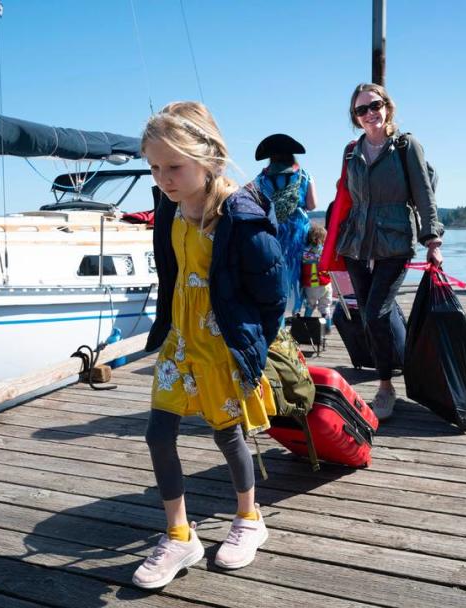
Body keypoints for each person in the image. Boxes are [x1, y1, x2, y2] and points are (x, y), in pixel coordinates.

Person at [133, 101, 287, 589]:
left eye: (174, 166)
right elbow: (173, 272)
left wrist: (251, 350)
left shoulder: (241, 218)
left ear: (210, 160)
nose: (164, 178)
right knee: (158, 434)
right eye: (155, 168)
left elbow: (273, 294)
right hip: (181, 341)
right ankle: (180, 536)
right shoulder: (170, 209)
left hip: (221, 344)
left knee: (228, 435)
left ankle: (249, 518)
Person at [332, 83, 444, 421]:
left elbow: (424, 195)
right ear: (355, 117)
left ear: (387, 107)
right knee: (366, 315)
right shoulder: (351, 151)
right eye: (361, 110)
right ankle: (395, 364)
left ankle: (385, 387)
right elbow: (345, 199)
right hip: (355, 244)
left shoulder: (407, 146)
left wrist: (432, 240)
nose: (369, 114)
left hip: (394, 243)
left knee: (378, 313)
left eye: (374, 105)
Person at [252, 133, 318, 314]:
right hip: (298, 233)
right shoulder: (304, 176)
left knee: (275, 269)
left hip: (272, 230)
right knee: (298, 271)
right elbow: (312, 204)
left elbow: (257, 206)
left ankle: (277, 310)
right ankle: (295, 309)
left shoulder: (260, 180)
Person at [301, 222, 332, 323]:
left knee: (310, 304)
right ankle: (327, 327)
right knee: (325, 307)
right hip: (325, 283)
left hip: (312, 283)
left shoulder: (305, 251)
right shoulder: (324, 251)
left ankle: (306, 323)